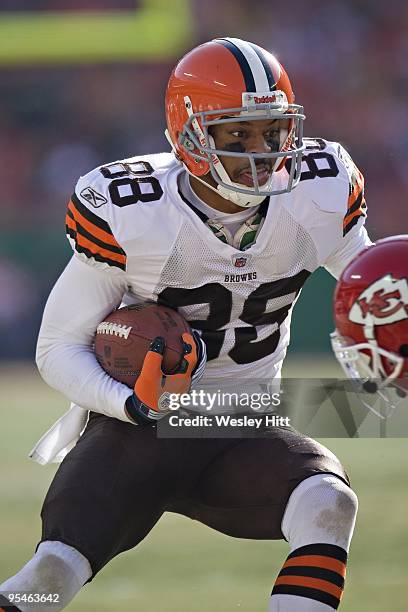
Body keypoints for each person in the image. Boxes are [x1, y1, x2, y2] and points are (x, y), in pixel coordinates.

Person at [0, 37, 369, 611]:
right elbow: (57, 347)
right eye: (237, 133)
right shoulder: (134, 208)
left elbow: (367, 290)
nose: (262, 151)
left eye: (272, 132)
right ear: (190, 132)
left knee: (329, 503)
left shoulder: (318, 191)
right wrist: (132, 405)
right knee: (51, 574)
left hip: (245, 420)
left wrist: (380, 342)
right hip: (137, 430)